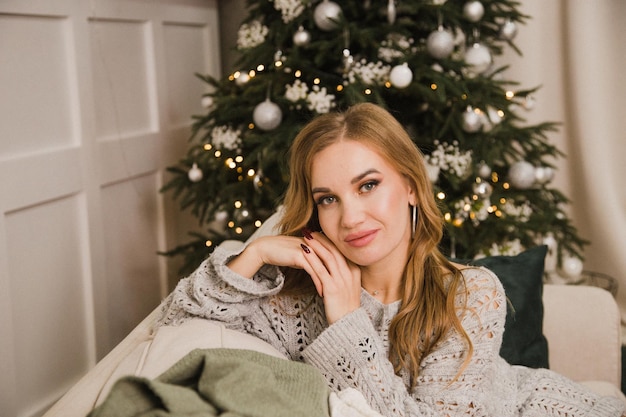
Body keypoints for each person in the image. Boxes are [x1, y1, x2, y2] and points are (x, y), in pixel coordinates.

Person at [158, 103, 625, 416]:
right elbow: (175, 322)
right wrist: (256, 252)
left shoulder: (472, 293)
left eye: (368, 185)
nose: (351, 217)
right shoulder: (295, 297)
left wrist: (346, 322)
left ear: (411, 187)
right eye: (328, 199)